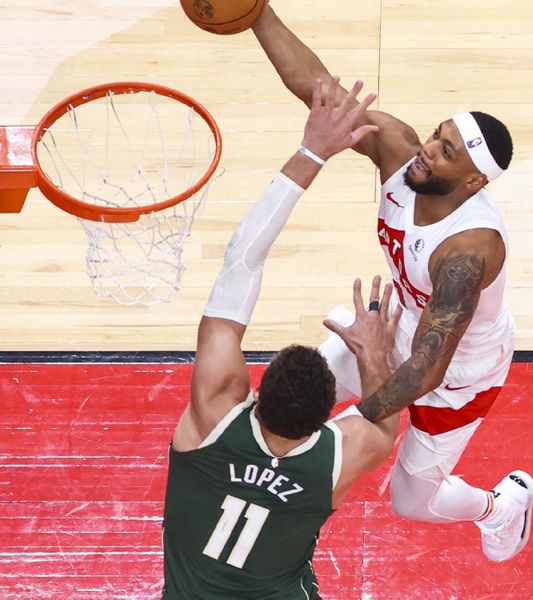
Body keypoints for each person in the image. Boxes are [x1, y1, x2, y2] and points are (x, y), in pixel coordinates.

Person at [252, 7, 533, 563]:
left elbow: (428, 368)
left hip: (459, 371)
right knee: (279, 406)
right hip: (396, 322)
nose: (428, 149)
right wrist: (257, 14)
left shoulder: (468, 252)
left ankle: (499, 507)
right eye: (436, 135)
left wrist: (348, 426)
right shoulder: (399, 152)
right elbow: (320, 93)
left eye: (446, 151)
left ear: (474, 181)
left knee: (411, 501)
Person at [162, 78, 403, 599]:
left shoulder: (214, 413)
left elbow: (241, 260)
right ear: (328, 418)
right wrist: (373, 353)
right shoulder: (335, 458)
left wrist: (310, 151)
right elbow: (385, 419)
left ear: (254, 388)